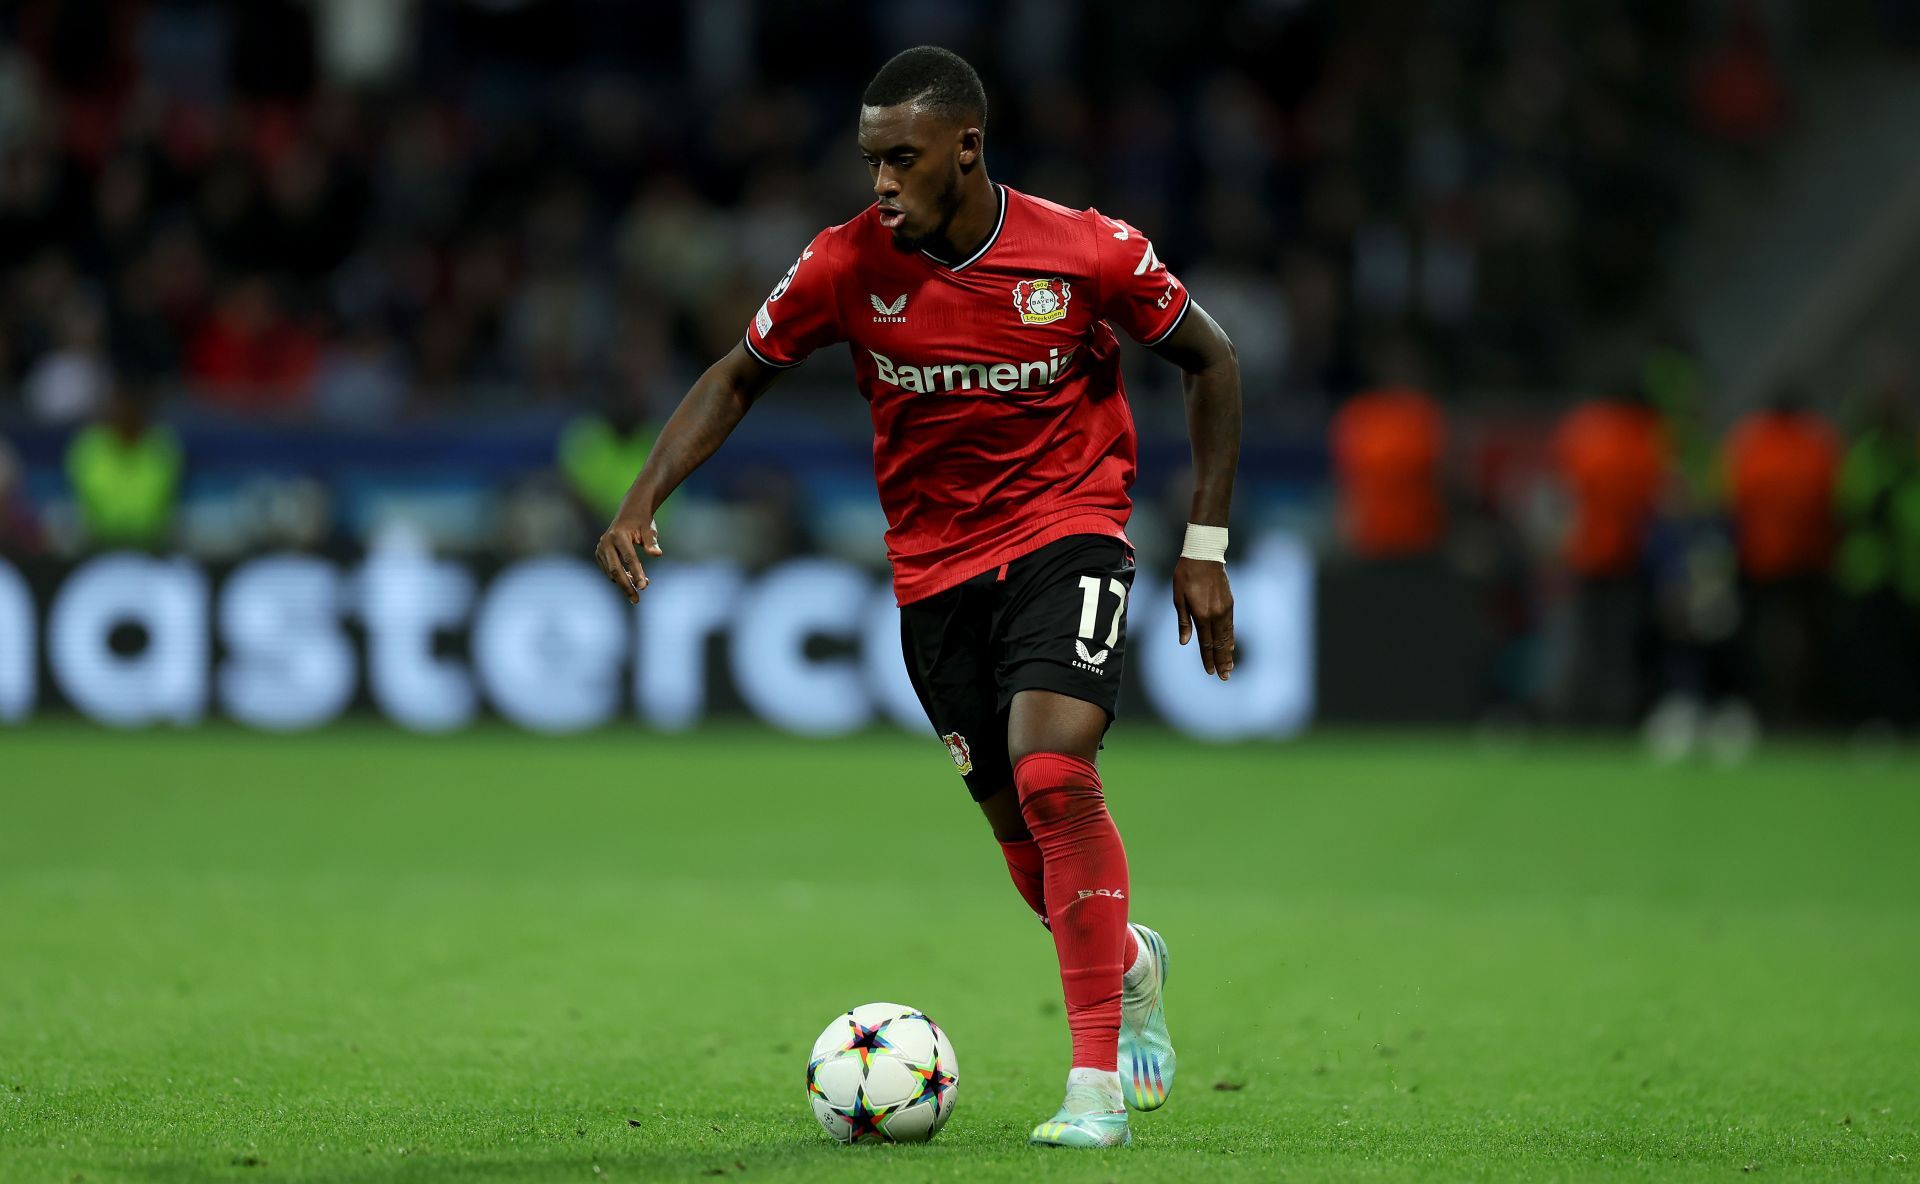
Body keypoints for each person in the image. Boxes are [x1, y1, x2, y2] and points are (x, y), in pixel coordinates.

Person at [593, 47, 1240, 1149]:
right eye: (871, 160)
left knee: (1053, 769)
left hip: (1068, 527)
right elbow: (738, 372)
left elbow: (1212, 359)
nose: (881, 181)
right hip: (934, 571)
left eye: (902, 158)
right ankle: (1128, 964)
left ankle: (1092, 1088)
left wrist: (1205, 543)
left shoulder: (1084, 249)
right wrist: (641, 493)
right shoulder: (844, 264)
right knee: (1024, 844)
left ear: (966, 149)